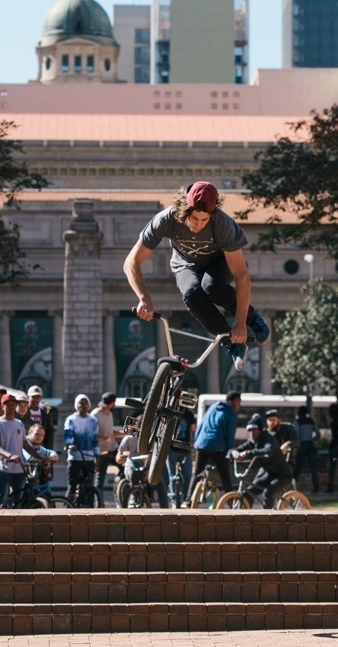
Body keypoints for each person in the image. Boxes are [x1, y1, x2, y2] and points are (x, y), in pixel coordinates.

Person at [123, 181, 271, 371]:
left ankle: (253, 318)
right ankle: (232, 344)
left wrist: (240, 323)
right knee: (192, 294)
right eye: (194, 218)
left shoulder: (222, 224)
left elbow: (242, 276)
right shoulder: (166, 219)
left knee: (212, 286)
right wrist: (144, 298)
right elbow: (131, 262)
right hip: (185, 264)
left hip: (219, 262)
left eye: (204, 220)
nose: (199, 225)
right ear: (185, 209)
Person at [185, 391, 239, 504]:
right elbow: (230, 436)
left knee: (197, 472)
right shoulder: (231, 413)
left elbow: (201, 425)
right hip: (216, 446)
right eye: (239, 402)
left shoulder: (213, 407)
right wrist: (228, 453)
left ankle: (188, 499)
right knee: (225, 475)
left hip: (201, 443)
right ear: (233, 401)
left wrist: (196, 441)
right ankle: (230, 502)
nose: (240, 405)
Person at [231, 414, 292, 509]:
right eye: (249, 430)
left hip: (283, 474)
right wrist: (235, 453)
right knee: (248, 493)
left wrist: (249, 452)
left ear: (260, 430)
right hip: (269, 474)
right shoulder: (252, 442)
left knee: (268, 492)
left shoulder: (269, 440)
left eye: (254, 430)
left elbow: (268, 450)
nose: (251, 433)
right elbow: (236, 449)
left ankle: (267, 518)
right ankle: (247, 516)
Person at [0, 393, 29, 508]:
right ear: (2, 406)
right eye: (8, 404)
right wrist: (10, 456)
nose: (11, 406)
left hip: (19, 469)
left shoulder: (19, 424)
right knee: (1, 501)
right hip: (4, 469)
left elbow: (26, 445)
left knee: (18, 502)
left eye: (13, 404)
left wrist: (41, 457)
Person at [64, 394, 100, 504]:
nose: (83, 405)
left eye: (85, 403)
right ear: (77, 405)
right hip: (75, 457)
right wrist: (70, 444)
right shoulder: (71, 419)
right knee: (72, 484)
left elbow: (95, 439)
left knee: (89, 485)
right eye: (81, 403)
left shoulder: (93, 421)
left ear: (89, 405)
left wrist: (97, 456)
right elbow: (68, 434)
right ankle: (69, 507)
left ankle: (89, 507)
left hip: (88, 458)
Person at [293, 405, 321, 494]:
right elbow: (318, 434)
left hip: (302, 444)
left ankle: (293, 487)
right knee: (313, 468)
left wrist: (297, 445)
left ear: (299, 413)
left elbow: (297, 435)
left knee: (297, 467)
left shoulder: (298, 422)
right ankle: (316, 487)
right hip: (311, 444)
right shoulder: (311, 421)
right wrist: (312, 439)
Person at [93, 392, 118, 492]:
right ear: (112, 404)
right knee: (100, 479)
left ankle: (120, 485)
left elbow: (110, 431)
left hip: (113, 447)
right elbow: (92, 436)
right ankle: (98, 503)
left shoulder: (110, 414)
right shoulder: (95, 415)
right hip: (102, 451)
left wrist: (122, 433)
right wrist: (106, 440)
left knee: (125, 465)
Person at [26, 385, 58, 450]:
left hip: (41, 447)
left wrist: (49, 449)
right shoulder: (24, 411)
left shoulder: (45, 412)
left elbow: (50, 431)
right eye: (33, 397)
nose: (36, 399)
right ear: (28, 397)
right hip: (26, 446)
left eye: (38, 397)